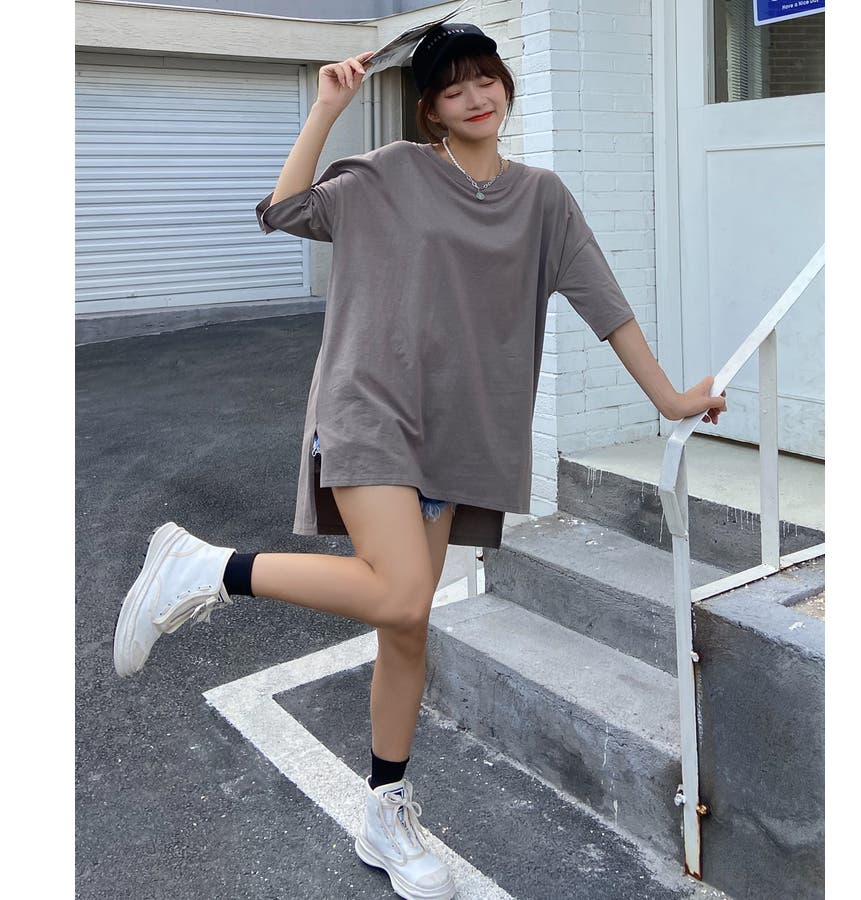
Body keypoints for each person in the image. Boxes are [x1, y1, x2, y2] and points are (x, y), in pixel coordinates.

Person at [113, 22, 726, 900]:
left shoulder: (543, 199)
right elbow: (285, 210)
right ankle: (207, 569)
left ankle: (385, 812)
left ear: (506, 86)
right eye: (453, 87)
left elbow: (606, 304)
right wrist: (326, 108)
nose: (477, 97)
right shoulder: (392, 173)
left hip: (459, 436)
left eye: (487, 79)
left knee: (406, 629)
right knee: (401, 594)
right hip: (371, 407)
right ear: (431, 108)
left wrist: (668, 399)